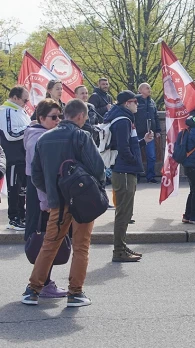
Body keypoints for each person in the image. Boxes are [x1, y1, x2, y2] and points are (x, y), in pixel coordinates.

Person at [21, 99, 105, 307]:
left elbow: (36, 175)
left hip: (57, 201)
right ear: (80, 116)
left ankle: (33, 290)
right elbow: (98, 168)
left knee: (50, 244)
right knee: (81, 246)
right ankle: (75, 292)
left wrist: (50, 192)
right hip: (82, 200)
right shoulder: (82, 136)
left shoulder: (44, 138)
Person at [23, 98, 66, 298]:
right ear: (41, 118)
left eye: (60, 117)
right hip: (40, 194)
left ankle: (41, 282)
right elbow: (37, 175)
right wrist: (46, 201)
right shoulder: (38, 138)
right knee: (43, 237)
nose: (58, 120)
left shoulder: (38, 134)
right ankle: (41, 283)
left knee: (45, 237)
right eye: (53, 117)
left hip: (40, 192)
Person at [104, 90, 153, 262]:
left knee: (125, 211)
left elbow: (125, 145)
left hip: (124, 169)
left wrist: (142, 142)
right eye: (134, 101)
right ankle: (118, 250)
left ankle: (121, 247)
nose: (137, 104)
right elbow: (124, 149)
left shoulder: (123, 118)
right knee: (124, 212)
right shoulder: (123, 120)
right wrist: (133, 161)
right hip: (124, 170)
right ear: (127, 103)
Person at [0, 85, 31, 230]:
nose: (27, 103)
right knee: (14, 188)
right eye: (25, 100)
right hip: (12, 157)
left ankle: (22, 215)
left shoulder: (21, 111)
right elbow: (10, 134)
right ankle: (14, 219)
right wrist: (30, 128)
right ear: (15, 98)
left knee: (22, 189)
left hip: (24, 157)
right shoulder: (5, 111)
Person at [135, 83, 162, 183]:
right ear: (141, 89)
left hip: (149, 132)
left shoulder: (152, 102)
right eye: (147, 88)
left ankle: (150, 176)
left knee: (151, 156)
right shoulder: (135, 100)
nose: (149, 89)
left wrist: (158, 130)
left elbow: (156, 117)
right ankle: (136, 176)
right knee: (136, 155)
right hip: (137, 132)